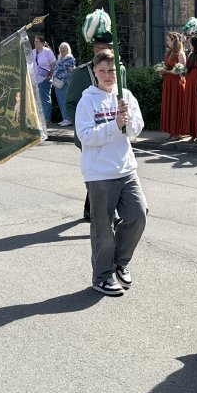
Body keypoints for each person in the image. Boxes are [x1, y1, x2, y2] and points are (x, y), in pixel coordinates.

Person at [76, 50, 148, 296]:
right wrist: (114, 124)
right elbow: (86, 136)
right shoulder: (87, 101)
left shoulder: (125, 95)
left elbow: (135, 131)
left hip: (126, 169)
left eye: (111, 70)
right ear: (95, 72)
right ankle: (102, 276)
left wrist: (127, 119)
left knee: (138, 214)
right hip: (99, 174)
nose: (107, 75)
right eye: (102, 71)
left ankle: (120, 261)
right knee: (103, 228)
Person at [64, 16, 125, 221]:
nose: (102, 52)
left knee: (109, 170)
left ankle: (91, 208)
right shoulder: (82, 73)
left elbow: (122, 96)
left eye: (107, 48)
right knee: (97, 169)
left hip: (114, 129)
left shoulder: (119, 70)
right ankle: (106, 212)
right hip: (90, 132)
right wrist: (84, 123)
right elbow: (70, 104)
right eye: (99, 49)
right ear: (93, 50)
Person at [159, 31, 187, 137]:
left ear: (174, 41)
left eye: (168, 40)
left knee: (176, 106)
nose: (166, 42)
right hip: (168, 83)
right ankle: (171, 131)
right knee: (169, 107)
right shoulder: (168, 53)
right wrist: (161, 71)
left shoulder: (180, 54)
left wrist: (166, 71)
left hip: (177, 83)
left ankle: (178, 132)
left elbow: (181, 71)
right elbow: (166, 66)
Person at [31, 34, 57, 124]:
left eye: (37, 41)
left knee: (45, 99)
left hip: (45, 79)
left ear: (42, 43)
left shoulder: (47, 51)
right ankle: (38, 118)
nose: (35, 43)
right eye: (34, 41)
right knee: (36, 99)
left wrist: (51, 74)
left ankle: (47, 119)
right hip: (34, 79)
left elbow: (53, 63)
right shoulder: (33, 52)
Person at [51, 42, 77, 126]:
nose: (62, 50)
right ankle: (64, 118)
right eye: (61, 48)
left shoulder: (69, 59)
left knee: (64, 100)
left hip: (65, 83)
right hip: (58, 83)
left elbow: (72, 70)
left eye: (64, 48)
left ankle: (68, 119)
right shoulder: (60, 58)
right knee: (60, 101)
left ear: (68, 49)